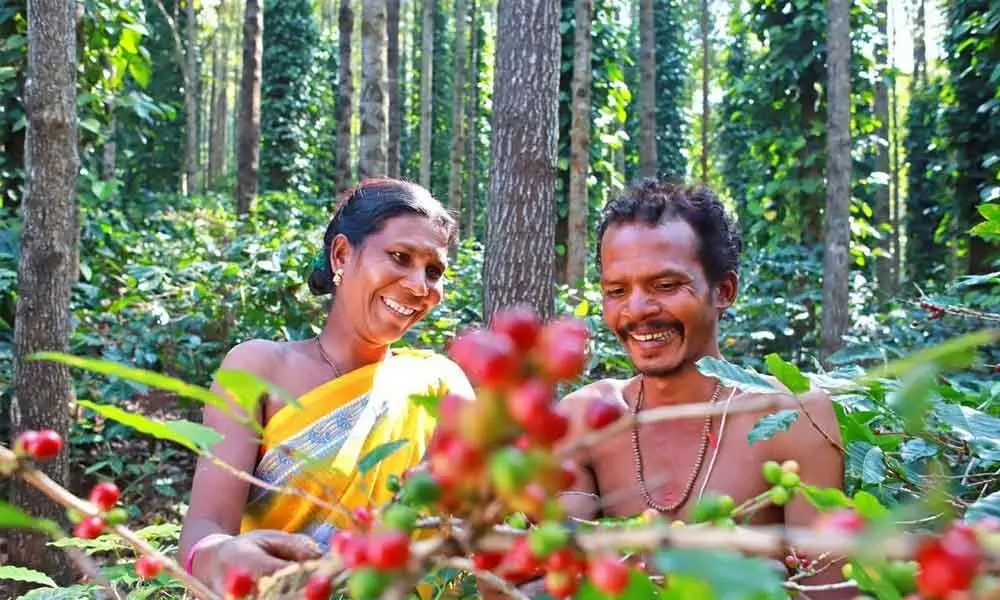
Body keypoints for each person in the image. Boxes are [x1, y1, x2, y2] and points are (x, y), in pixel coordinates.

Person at [551, 180, 851, 596]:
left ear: (723, 291)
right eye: (617, 291)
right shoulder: (585, 418)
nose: (637, 310)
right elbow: (555, 579)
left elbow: (828, 589)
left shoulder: (792, 416)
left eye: (666, 285)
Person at [178, 178, 474, 593]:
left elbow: (474, 529)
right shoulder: (258, 368)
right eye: (399, 257)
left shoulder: (440, 383)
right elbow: (205, 527)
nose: (418, 286)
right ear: (341, 253)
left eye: (434, 270)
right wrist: (219, 556)